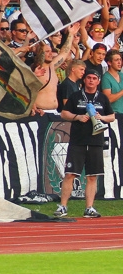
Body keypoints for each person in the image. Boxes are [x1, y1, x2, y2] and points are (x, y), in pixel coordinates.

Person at [56, 68, 115, 219]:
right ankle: (63, 206)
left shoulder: (102, 98)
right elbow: (64, 113)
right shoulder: (76, 96)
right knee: (70, 174)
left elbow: (112, 116)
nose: (91, 80)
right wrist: (77, 117)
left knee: (92, 176)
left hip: (96, 141)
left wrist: (101, 117)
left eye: (94, 78)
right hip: (78, 140)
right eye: (88, 78)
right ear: (84, 79)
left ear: (98, 81)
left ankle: (89, 207)